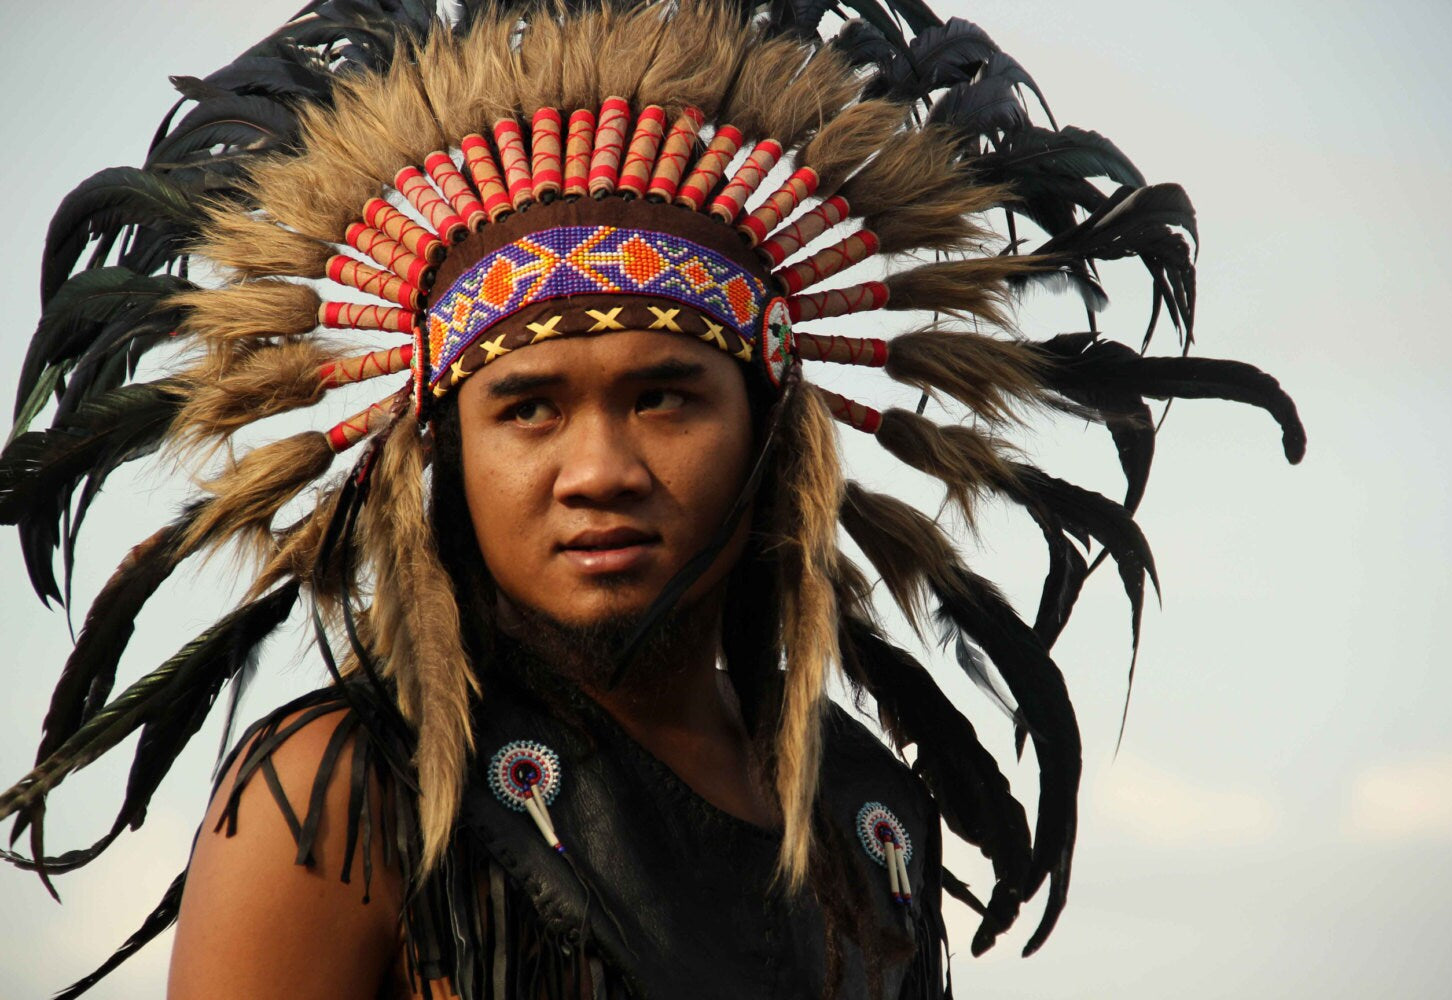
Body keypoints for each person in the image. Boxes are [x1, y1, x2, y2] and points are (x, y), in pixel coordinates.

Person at [0, 2, 1306, 998]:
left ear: (773, 433)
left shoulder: (869, 820)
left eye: (667, 397)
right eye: (527, 408)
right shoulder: (346, 796)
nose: (599, 469)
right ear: (441, 448)